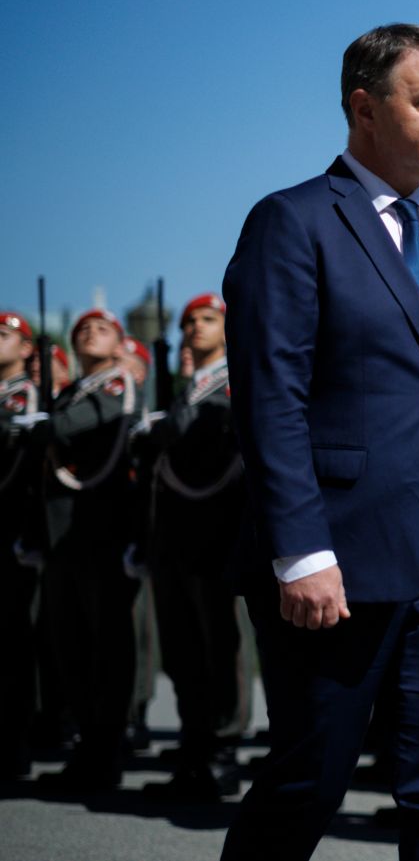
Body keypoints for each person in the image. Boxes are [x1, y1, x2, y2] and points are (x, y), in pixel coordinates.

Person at [219, 23, 419, 861]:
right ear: (364, 108)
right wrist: (301, 551)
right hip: (339, 563)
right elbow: (269, 397)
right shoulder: (291, 222)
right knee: (306, 784)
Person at [137, 292, 252, 803]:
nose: (195, 329)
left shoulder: (235, 381)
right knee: (182, 647)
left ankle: (224, 750)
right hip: (175, 534)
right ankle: (194, 743)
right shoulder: (189, 388)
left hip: (217, 531)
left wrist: (162, 430)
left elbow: (188, 436)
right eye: (190, 322)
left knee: (219, 645)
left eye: (207, 320)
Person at [33, 307, 142, 790]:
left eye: (101, 329)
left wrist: (44, 425)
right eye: (81, 331)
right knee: (70, 647)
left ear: (120, 344)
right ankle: (87, 747)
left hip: (101, 533)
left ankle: (106, 751)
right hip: (64, 538)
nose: (89, 334)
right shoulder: (73, 392)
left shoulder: (116, 386)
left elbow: (65, 428)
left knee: (105, 648)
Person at [1, 312, 45, 778]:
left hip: (13, 536)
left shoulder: (25, 398)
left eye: (4, 335)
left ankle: (15, 742)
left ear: (27, 348)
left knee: (14, 645)